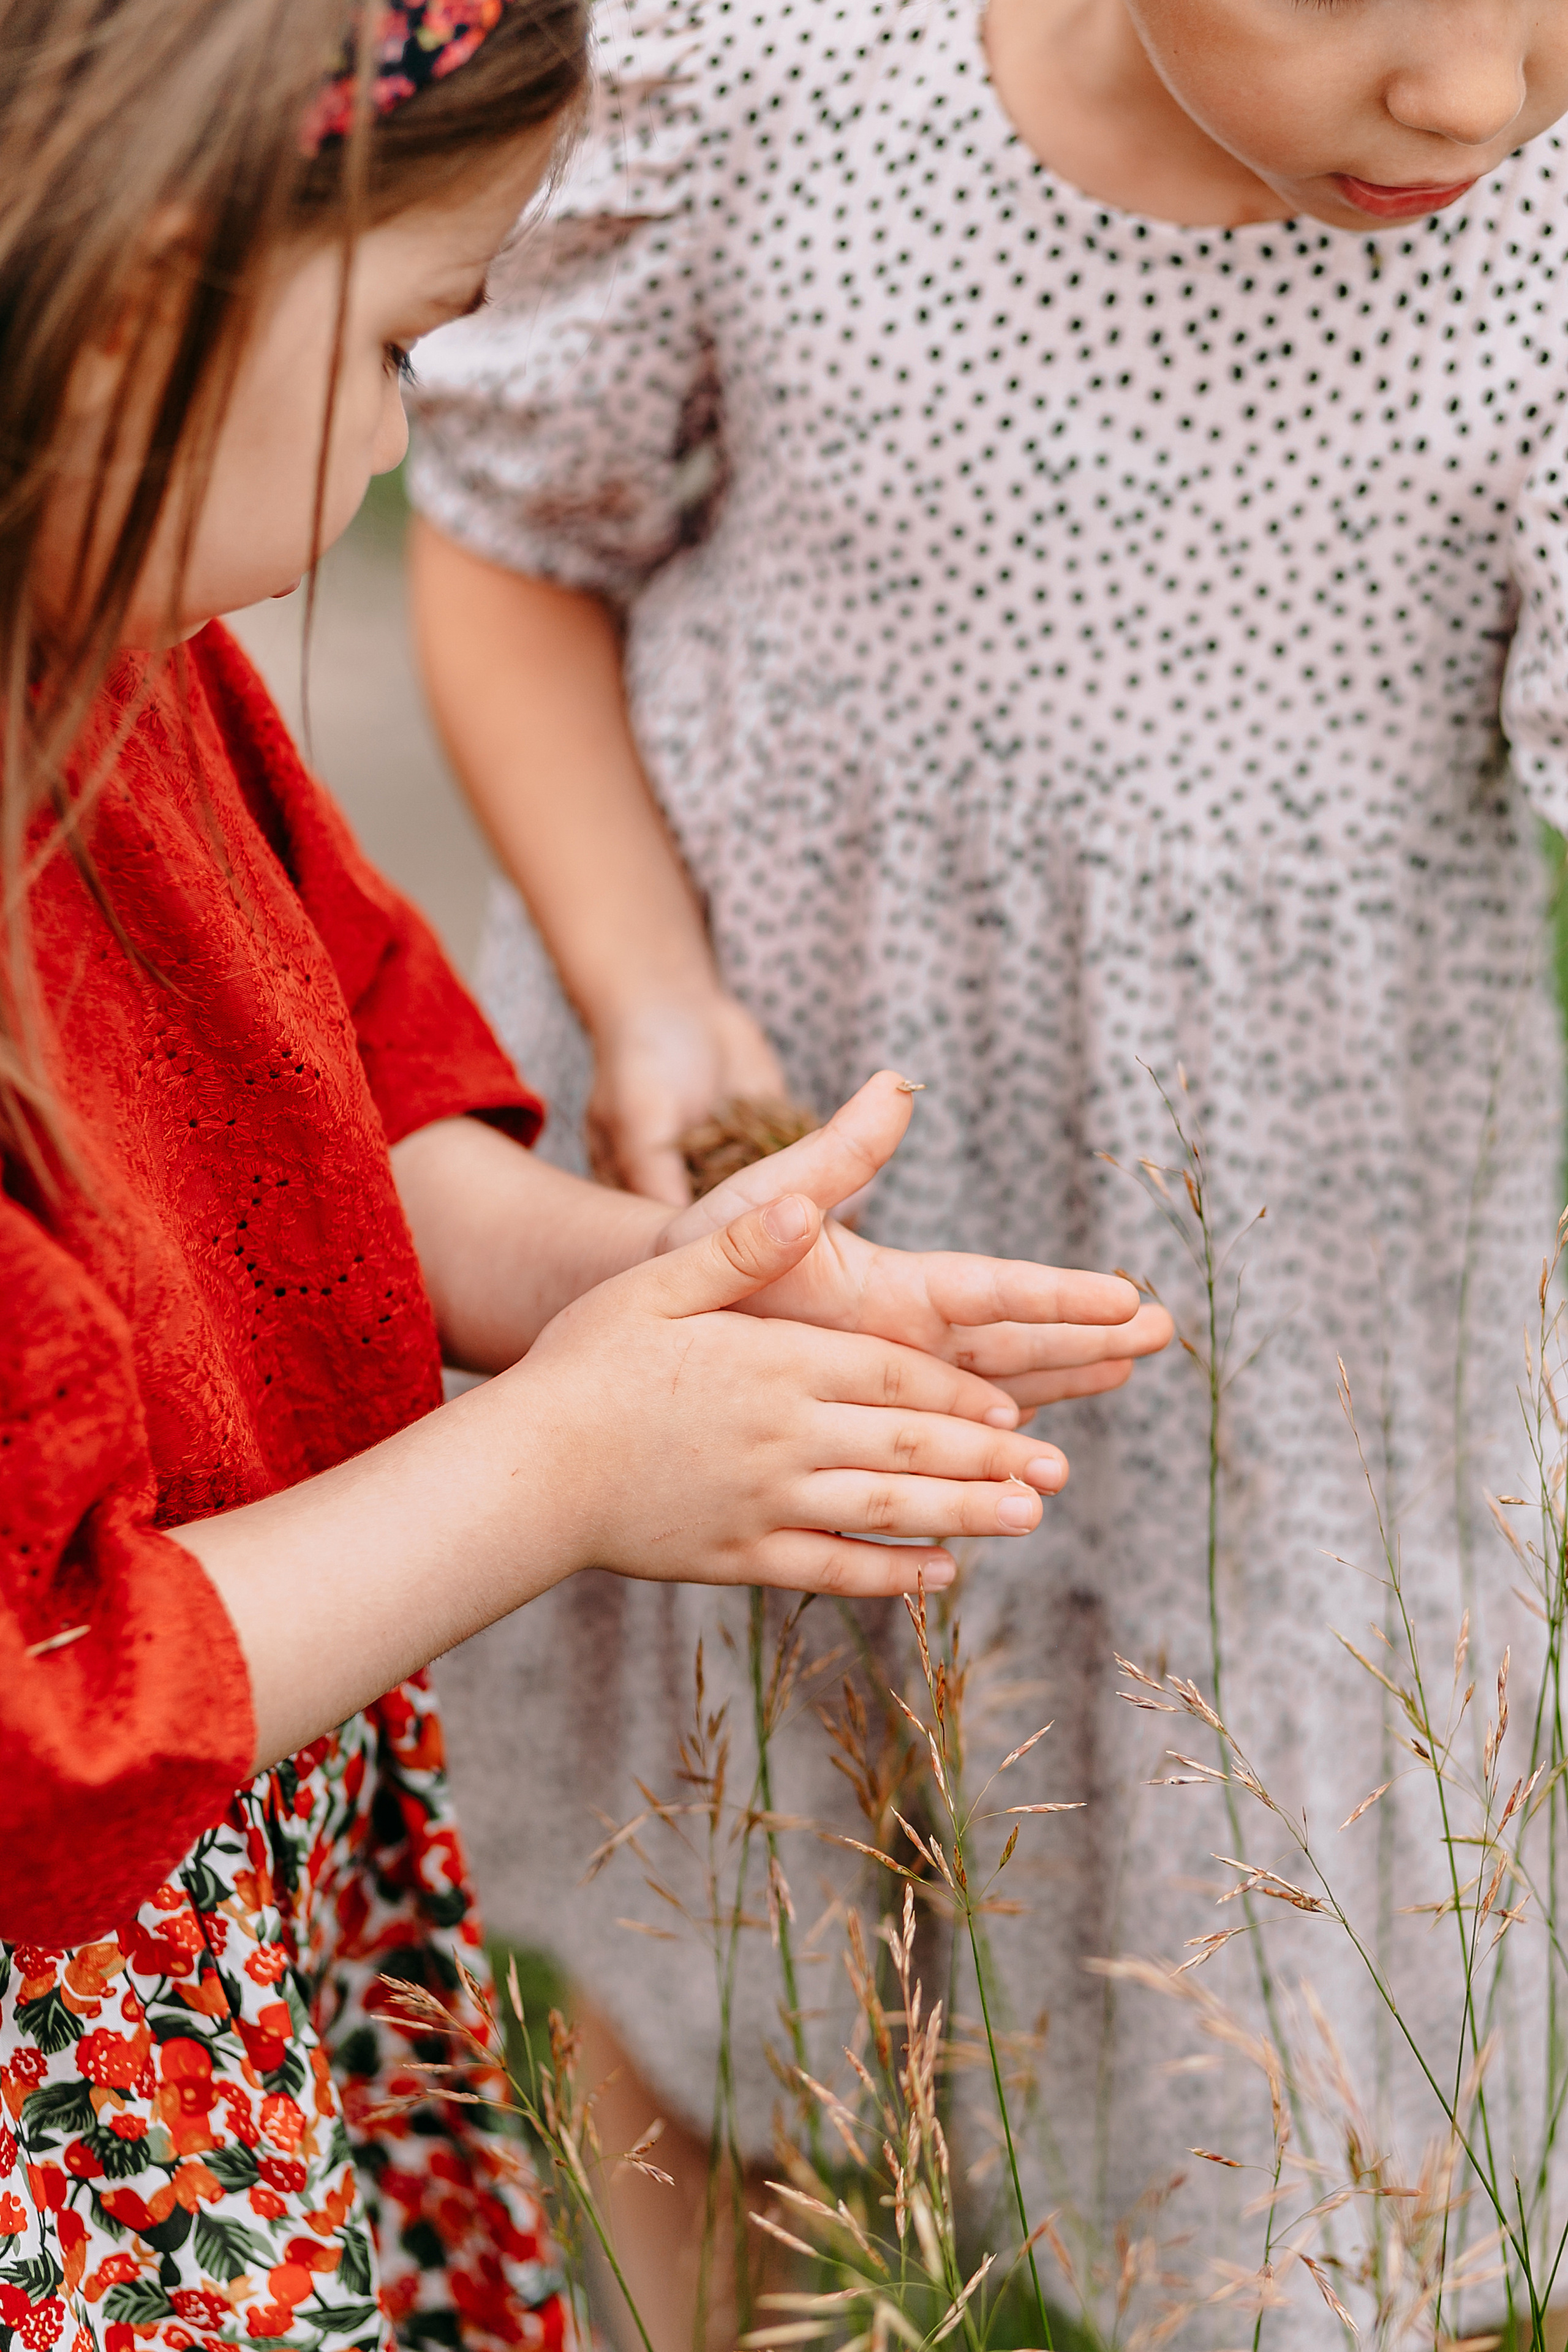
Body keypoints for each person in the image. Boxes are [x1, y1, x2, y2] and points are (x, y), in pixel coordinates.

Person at [0, 5, 1174, 2351]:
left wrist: (646, 1281)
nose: (407, 425)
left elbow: (338, 1092)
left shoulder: (112, 652)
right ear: (141, 302)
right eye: (404, 339)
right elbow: (47, 1702)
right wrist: (560, 1467)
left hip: (233, 1904)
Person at [404, 0, 1568, 2335]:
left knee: (1295, 2030)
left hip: (1275, 1300)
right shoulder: (782, 74)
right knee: (724, 1905)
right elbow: (513, 540)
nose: (1471, 94)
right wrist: (648, 994)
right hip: (775, 1155)